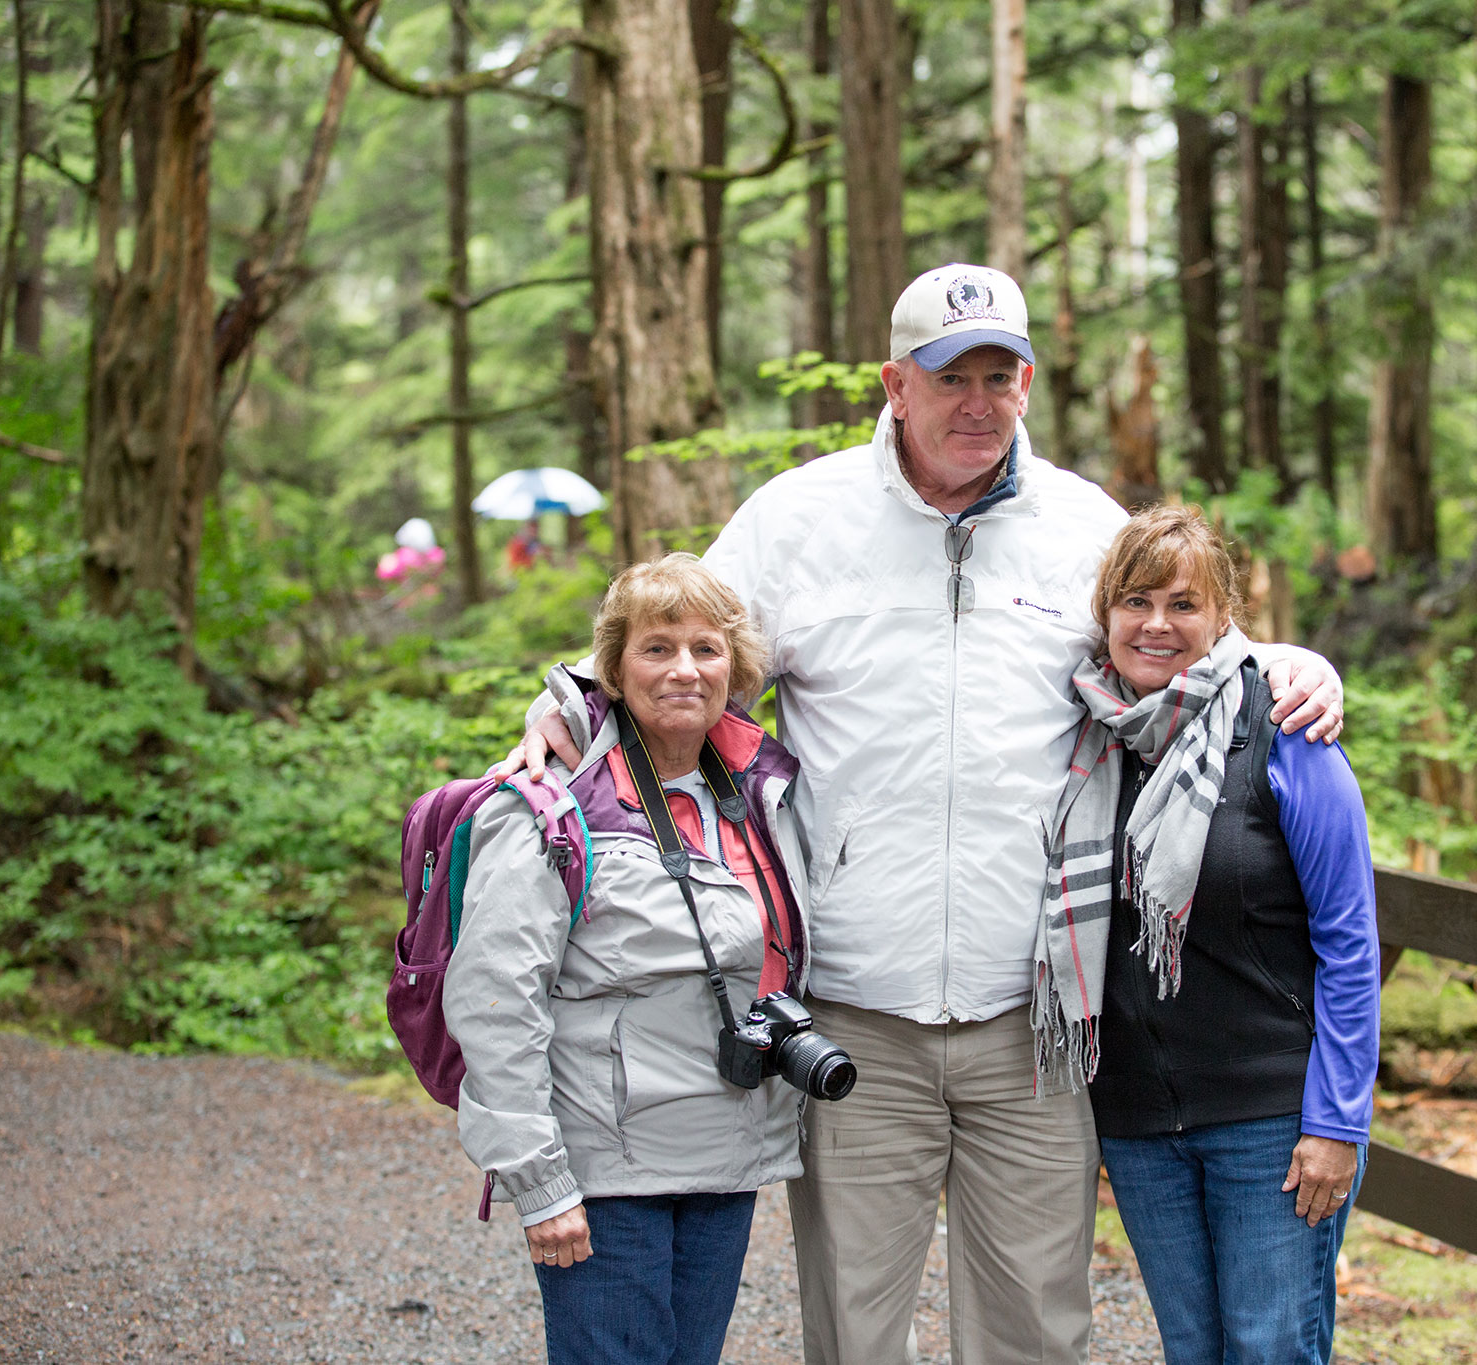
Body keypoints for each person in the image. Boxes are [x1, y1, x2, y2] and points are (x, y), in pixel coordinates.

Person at [504, 263, 1346, 1365]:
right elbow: (675, 645)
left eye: (999, 376)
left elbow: (1183, 641)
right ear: (895, 383)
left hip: (1034, 1014)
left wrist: (1295, 659)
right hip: (856, 1009)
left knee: (1037, 1329)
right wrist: (560, 702)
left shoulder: (1083, 528)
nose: (976, 403)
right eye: (950, 378)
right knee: (857, 1330)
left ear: (1028, 383)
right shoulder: (799, 520)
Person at [1033, 505, 1380, 1364]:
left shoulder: (1287, 731)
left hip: (1272, 1118)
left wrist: (1339, 1122)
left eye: (1184, 604)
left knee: (1268, 1347)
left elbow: (1352, 943)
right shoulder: (1086, 739)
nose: (1157, 623)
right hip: (1141, 1119)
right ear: (1105, 615)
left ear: (1224, 616)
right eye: (1136, 600)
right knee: (1193, 1349)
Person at [449, 553, 812, 1365]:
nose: (685, 668)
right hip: (604, 1173)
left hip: (723, 1156)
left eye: (706, 648)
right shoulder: (552, 805)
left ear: (736, 668)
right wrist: (539, 1181)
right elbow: (494, 998)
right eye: (656, 648)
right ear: (611, 669)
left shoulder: (762, 793)